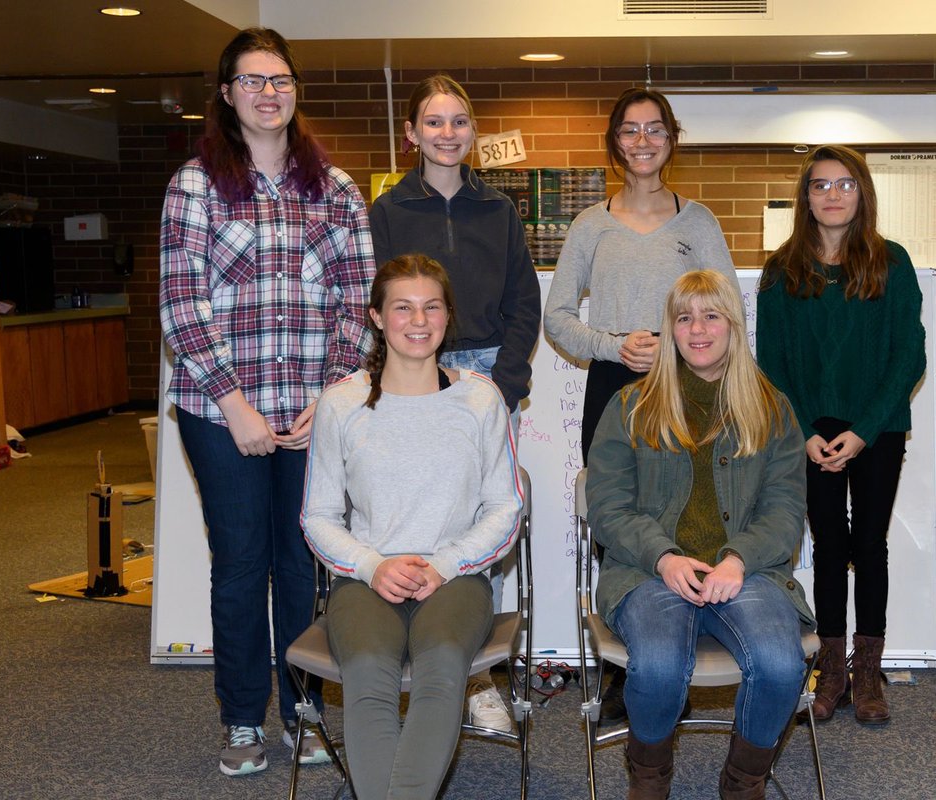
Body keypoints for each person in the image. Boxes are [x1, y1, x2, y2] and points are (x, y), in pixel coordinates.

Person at [159, 27, 375, 775]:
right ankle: (245, 719)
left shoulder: (336, 190)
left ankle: (306, 713)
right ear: (227, 95)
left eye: (279, 79)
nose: (268, 93)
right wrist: (235, 405)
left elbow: (356, 304)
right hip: (222, 415)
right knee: (243, 565)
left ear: (294, 90)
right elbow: (182, 306)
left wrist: (334, 394)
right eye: (252, 81)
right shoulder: (194, 186)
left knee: (304, 564)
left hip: (315, 410)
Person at [544, 87, 740, 727]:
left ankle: (682, 657)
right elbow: (558, 318)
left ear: (671, 139)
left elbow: (730, 311)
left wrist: (704, 359)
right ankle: (624, 678)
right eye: (630, 130)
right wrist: (611, 346)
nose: (643, 141)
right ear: (615, 142)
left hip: (695, 393)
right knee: (619, 525)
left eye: (655, 129)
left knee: (692, 517)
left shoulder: (699, 222)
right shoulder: (591, 225)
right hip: (616, 391)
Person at [301, 254, 523, 800]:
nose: (418, 320)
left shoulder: (480, 398)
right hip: (364, 578)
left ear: (448, 317)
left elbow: (505, 508)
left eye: (431, 307)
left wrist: (444, 564)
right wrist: (373, 566)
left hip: (455, 579)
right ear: (376, 316)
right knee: (370, 667)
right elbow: (318, 516)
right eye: (402, 307)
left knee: (443, 662)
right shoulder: (341, 403)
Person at [587, 270, 812, 800]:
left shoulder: (772, 408)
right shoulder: (630, 407)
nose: (698, 329)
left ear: (733, 325)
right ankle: (649, 775)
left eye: (712, 315)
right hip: (649, 571)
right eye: (684, 317)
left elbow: (785, 509)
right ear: (670, 329)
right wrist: (664, 557)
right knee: (661, 667)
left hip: (747, 571)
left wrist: (737, 560)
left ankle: (743, 780)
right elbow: (608, 507)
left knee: (783, 666)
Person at [368, 74, 539, 731]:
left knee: (481, 528)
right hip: (411, 379)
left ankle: (475, 676)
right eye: (434, 123)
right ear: (412, 133)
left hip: (486, 380)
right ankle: (413, 661)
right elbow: (378, 306)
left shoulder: (499, 211)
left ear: (474, 131)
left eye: (459, 122)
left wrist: (504, 384)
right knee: (412, 520)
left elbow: (526, 303)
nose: (447, 134)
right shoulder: (385, 213)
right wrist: (397, 377)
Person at [755, 144, 926, 726]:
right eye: (821, 185)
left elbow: (909, 357)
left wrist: (864, 430)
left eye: (845, 184)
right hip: (808, 432)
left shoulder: (891, 263)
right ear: (805, 197)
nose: (832, 195)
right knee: (827, 546)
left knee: (869, 545)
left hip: (876, 427)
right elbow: (771, 363)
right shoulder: (782, 270)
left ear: (863, 193)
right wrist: (802, 431)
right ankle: (830, 669)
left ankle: (868, 671)